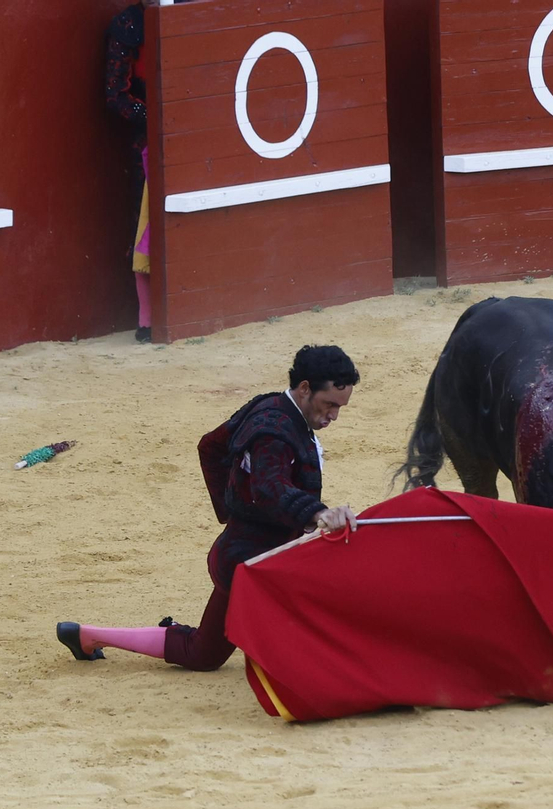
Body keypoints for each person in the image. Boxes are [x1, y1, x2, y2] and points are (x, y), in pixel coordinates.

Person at [58, 345, 361, 670]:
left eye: (340, 406)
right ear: (305, 388)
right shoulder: (274, 431)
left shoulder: (271, 405)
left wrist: (232, 508)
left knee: (203, 654)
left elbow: (211, 446)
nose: (333, 415)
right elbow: (270, 488)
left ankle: (87, 636)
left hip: (250, 555)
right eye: (329, 404)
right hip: (251, 568)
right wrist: (315, 513)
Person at [104, 2, 152, 342]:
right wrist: (157, 116)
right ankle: (147, 318)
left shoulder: (193, 9)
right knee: (145, 224)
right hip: (146, 141)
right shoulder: (128, 24)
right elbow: (115, 95)